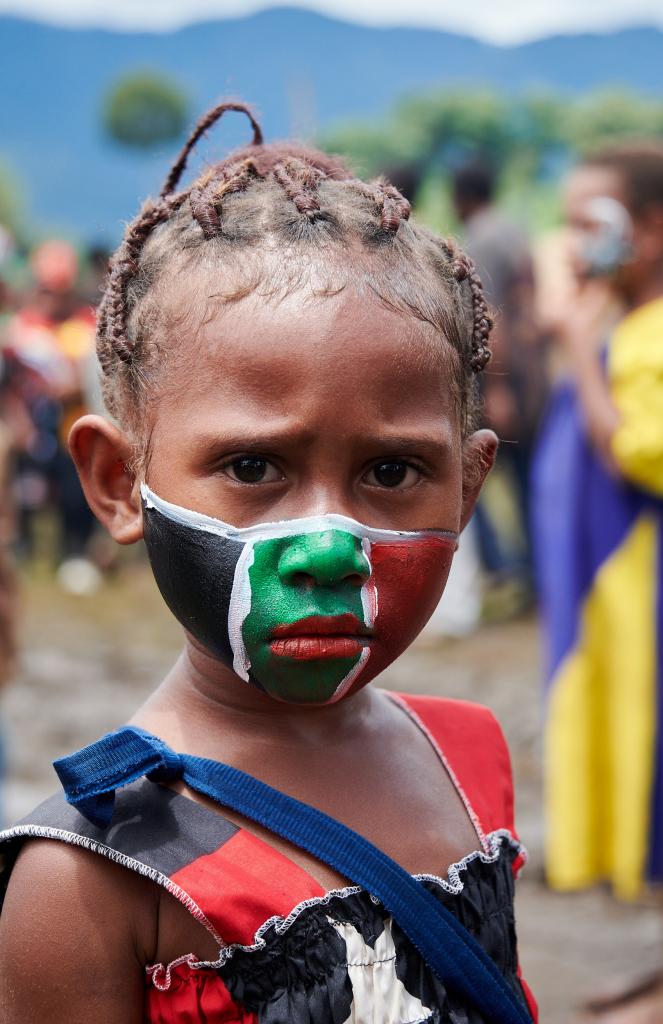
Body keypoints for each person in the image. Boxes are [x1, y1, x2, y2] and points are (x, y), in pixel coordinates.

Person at [0, 102, 536, 1024]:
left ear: (468, 486)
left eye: (392, 471)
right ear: (118, 482)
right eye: (253, 467)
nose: (328, 545)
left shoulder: (468, 758)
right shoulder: (90, 875)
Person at [532, 144, 663, 1021]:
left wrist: (581, 349)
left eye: (593, 223)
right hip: (587, 576)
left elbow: (635, 450)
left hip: (635, 566)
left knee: (642, 712)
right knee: (594, 701)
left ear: (649, 230)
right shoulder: (613, 316)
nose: (574, 242)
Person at [452, 161, 545, 594]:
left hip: (503, 378)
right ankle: (537, 569)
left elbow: (493, 321)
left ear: (461, 196)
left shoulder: (480, 241)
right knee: (531, 479)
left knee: (481, 476)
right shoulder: (514, 231)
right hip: (534, 372)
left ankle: (520, 571)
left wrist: (499, 387)